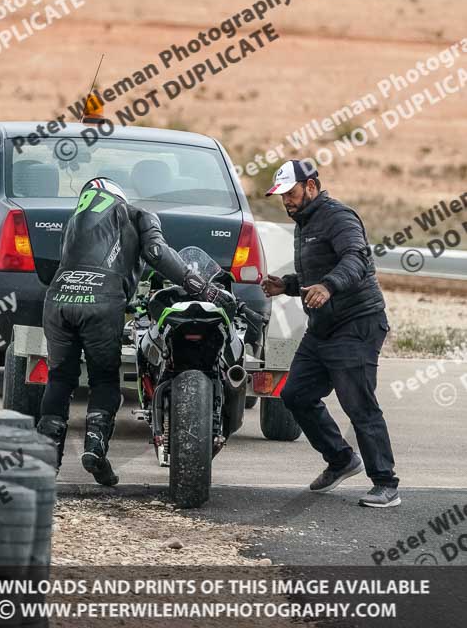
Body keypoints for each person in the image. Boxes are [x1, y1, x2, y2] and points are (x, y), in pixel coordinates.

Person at [37, 177, 218, 485]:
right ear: (118, 195)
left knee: (59, 378)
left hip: (58, 299)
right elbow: (157, 253)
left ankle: (45, 464)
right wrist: (195, 284)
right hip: (102, 299)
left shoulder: (73, 221)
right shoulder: (137, 213)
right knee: (104, 379)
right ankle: (95, 449)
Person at [262, 160, 400, 508]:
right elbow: (317, 273)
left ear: (311, 186)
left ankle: (386, 483)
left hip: (357, 323)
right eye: (281, 197)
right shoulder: (305, 222)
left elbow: (356, 260)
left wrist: (328, 285)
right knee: (294, 394)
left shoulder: (339, 217)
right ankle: (340, 460)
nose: (287, 202)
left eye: (291, 194)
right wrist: (288, 286)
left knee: (358, 404)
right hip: (322, 327)